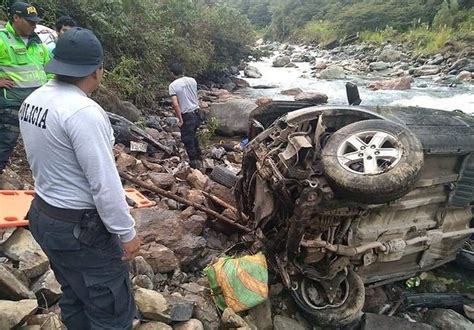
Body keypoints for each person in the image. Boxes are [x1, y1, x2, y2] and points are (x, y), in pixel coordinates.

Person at [19, 27, 140, 329]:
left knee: (75, 293)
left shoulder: (33, 100)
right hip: (80, 230)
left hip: (44, 215)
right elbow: (103, 182)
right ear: (97, 71)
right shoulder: (83, 111)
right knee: (111, 310)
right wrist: (127, 233)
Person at [0, 1, 49, 177]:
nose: (34, 25)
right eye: (30, 21)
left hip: (37, 106)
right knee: (5, 141)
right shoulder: (2, 39)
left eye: (35, 21)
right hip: (11, 102)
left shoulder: (38, 43)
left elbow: (49, 69)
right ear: (16, 18)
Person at [169, 62, 203, 169]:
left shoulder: (173, 86)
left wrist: (180, 119)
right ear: (183, 71)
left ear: (172, 74)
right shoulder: (192, 80)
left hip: (187, 115)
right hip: (197, 113)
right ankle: (200, 159)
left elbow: (175, 104)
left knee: (187, 139)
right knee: (193, 136)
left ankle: (194, 165)